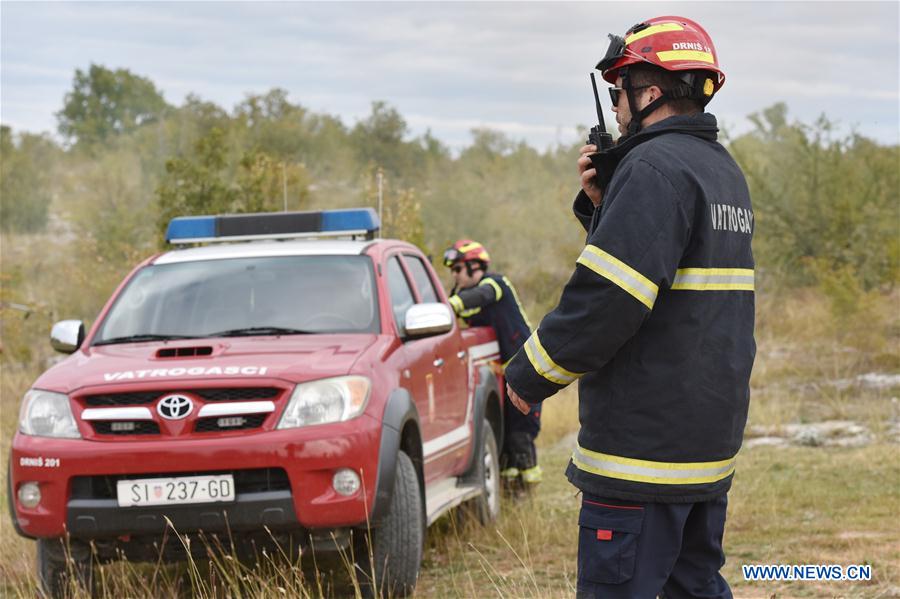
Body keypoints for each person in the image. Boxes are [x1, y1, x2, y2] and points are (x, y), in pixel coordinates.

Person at [504, 16, 755, 598]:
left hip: (641, 455)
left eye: (620, 91)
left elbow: (608, 300)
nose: (616, 107)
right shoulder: (721, 172)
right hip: (702, 449)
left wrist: (530, 373)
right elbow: (668, 275)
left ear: (649, 90)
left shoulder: (652, 168)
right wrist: (602, 209)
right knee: (693, 587)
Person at [442, 239, 542, 495]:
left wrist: (447, 305)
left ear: (475, 266)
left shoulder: (496, 284)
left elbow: (478, 296)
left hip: (528, 372)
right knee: (506, 434)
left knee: (521, 434)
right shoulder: (464, 298)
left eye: (457, 269)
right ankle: (510, 489)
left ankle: (528, 491)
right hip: (507, 378)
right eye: (452, 271)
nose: (454, 275)